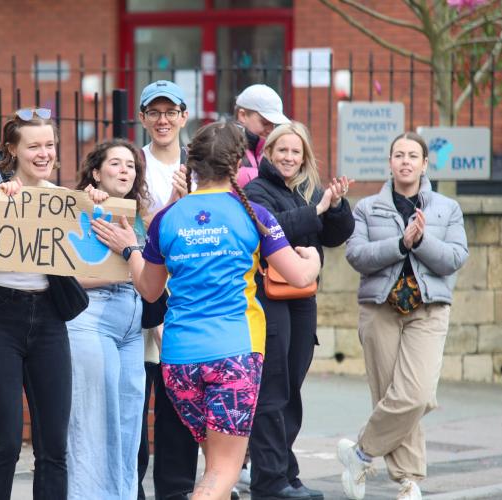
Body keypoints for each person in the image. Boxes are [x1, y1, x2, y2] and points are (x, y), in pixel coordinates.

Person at [92, 121, 321, 500]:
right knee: (222, 474)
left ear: (191, 162)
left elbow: (150, 291)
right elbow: (297, 277)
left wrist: (131, 250)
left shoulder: (168, 218)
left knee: (215, 466)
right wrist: (311, 258)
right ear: (237, 163)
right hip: (234, 354)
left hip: (179, 362)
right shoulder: (254, 215)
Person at [339, 132, 468, 500]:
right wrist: (401, 243)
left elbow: (455, 258)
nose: (406, 161)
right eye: (399, 155)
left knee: (416, 393)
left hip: (428, 310)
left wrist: (422, 240)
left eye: (413, 155)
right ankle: (408, 481)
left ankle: (360, 453)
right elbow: (357, 256)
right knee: (389, 394)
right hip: (379, 309)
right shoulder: (366, 208)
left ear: (425, 163)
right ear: (390, 161)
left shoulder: (446, 208)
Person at [244, 122, 354, 500]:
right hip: (270, 298)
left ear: (304, 158)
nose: (289, 158)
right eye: (283, 151)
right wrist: (317, 209)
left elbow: (336, 235)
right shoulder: (256, 190)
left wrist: (335, 207)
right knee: (272, 391)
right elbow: (272, 228)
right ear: (269, 154)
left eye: (296, 152)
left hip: (303, 297)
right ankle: (269, 481)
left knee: (291, 388)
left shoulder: (305, 190)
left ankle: (286, 474)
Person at [0, 109, 73, 500]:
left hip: (49, 320)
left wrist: (97, 201)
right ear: (13, 150)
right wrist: (3, 198)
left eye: (49, 144)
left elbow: (97, 244)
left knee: (54, 448)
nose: (43, 153)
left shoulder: (65, 200)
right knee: (6, 442)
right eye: (34, 146)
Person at [66, 139, 151, 499]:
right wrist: (127, 269)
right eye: (115, 164)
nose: (124, 171)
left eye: (130, 165)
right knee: (93, 423)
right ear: (96, 173)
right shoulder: (81, 208)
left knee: (130, 423)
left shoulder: (136, 215)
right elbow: (67, 275)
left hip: (133, 328)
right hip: (92, 320)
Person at [135, 79, 201, 500]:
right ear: (142, 118)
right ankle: (131, 489)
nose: (162, 120)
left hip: (189, 298)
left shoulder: (200, 166)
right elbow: (140, 228)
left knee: (180, 404)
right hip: (142, 293)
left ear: (183, 117)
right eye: (154, 112)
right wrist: (173, 207)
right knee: (136, 402)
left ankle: (176, 491)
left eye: (170, 112)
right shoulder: (131, 162)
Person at [233, 84, 291, 188]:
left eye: (273, 124)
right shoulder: (226, 151)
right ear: (242, 115)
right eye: (264, 123)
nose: (270, 130)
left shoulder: (273, 153)